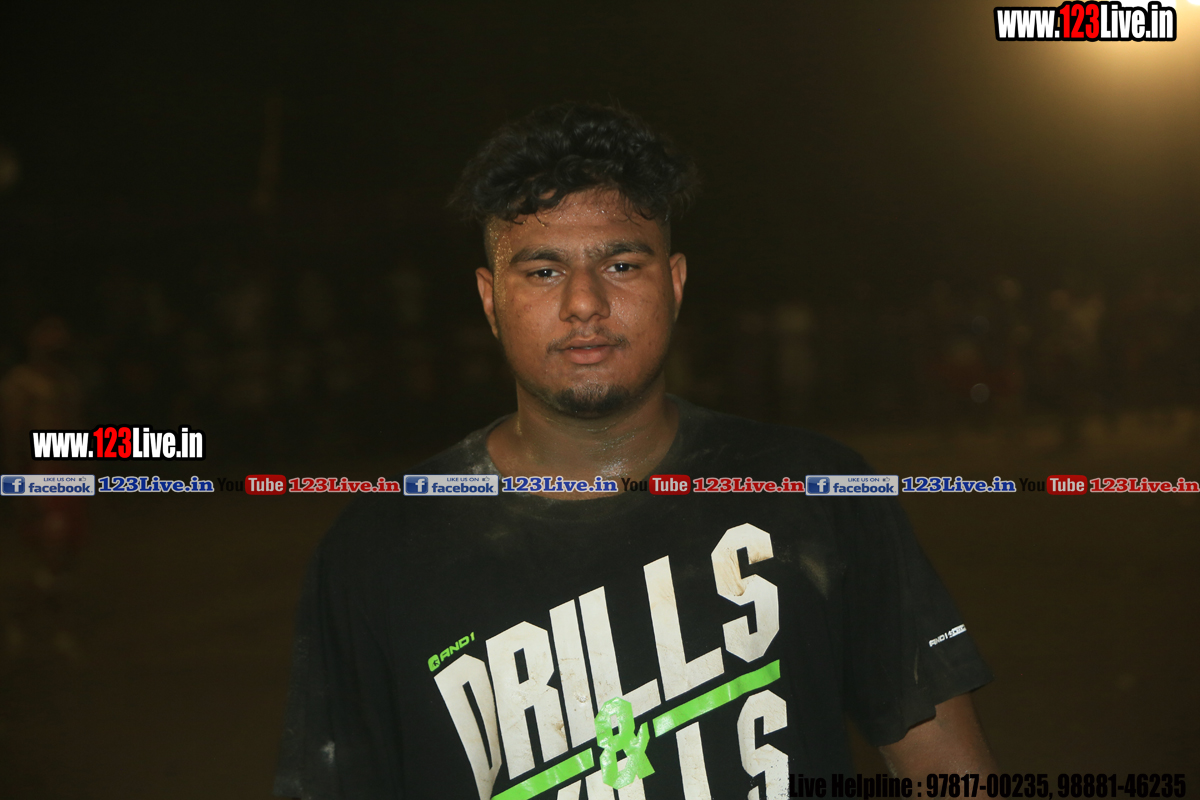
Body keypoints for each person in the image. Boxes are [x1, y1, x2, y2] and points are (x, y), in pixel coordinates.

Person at [274, 103, 997, 800]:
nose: (584, 303)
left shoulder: (817, 491)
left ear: (674, 283)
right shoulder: (378, 550)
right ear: (490, 300)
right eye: (543, 271)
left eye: (621, 265)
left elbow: (946, 766)